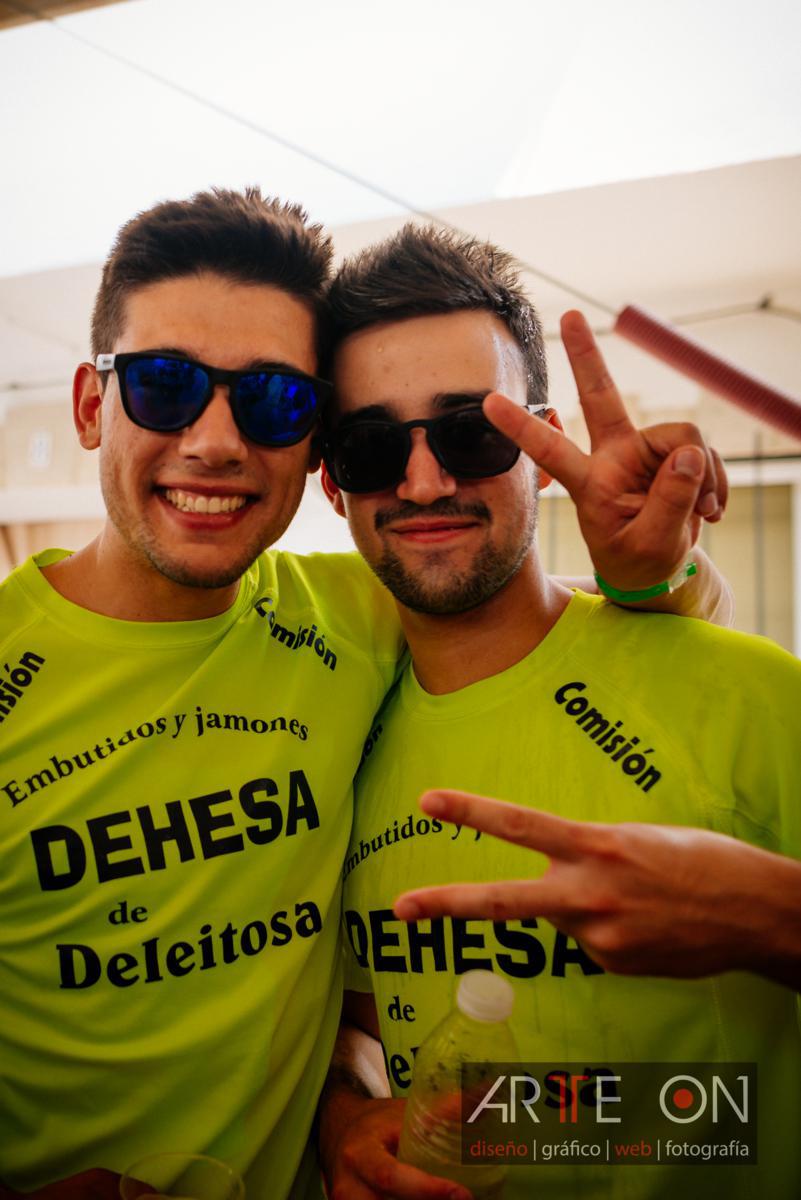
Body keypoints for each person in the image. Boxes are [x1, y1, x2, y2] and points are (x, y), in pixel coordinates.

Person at [0, 187, 730, 1200]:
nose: (215, 442)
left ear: (313, 451)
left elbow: (545, 614)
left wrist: (654, 574)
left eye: (274, 401)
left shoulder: (359, 617)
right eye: (165, 386)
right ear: (92, 406)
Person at [316, 224, 801, 1199]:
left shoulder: (750, 697)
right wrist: (342, 1116)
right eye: (371, 446)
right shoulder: (332, 745)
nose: (424, 482)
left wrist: (770, 917)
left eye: (471, 432)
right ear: (331, 483)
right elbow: (363, 1015)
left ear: (543, 449)